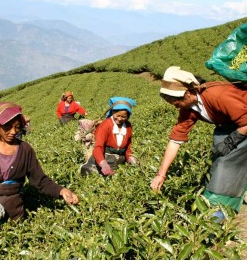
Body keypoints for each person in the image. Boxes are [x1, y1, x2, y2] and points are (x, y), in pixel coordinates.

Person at [0, 102, 79, 233]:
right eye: (7, 127)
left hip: (12, 215)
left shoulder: (25, 150)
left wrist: (62, 191)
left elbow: (40, 181)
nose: (13, 132)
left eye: (17, 127)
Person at [150, 66, 247, 222]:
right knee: (219, 163)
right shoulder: (188, 108)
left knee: (224, 168)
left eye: (175, 101)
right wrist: (161, 174)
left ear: (187, 93)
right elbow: (176, 140)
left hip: (242, 127)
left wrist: (231, 141)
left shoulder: (217, 95)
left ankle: (218, 214)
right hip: (231, 127)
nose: (174, 105)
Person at [80, 97, 137, 176]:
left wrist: (130, 158)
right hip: (104, 156)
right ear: (113, 112)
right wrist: (103, 163)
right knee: (90, 172)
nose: (120, 119)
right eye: (117, 115)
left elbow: (128, 147)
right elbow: (98, 147)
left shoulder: (128, 126)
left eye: (123, 117)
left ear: (128, 116)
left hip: (119, 158)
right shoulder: (106, 125)